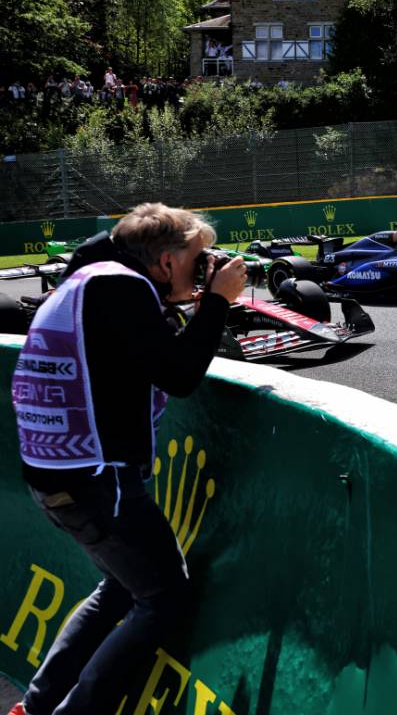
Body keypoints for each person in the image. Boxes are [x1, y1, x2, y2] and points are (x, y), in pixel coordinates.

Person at [8, 203, 246, 715]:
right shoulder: (124, 287)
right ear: (164, 263)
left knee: (121, 587)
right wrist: (218, 302)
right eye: (197, 257)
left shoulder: (89, 278)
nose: (204, 267)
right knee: (165, 599)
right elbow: (179, 375)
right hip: (98, 479)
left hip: (58, 477)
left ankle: (36, 705)